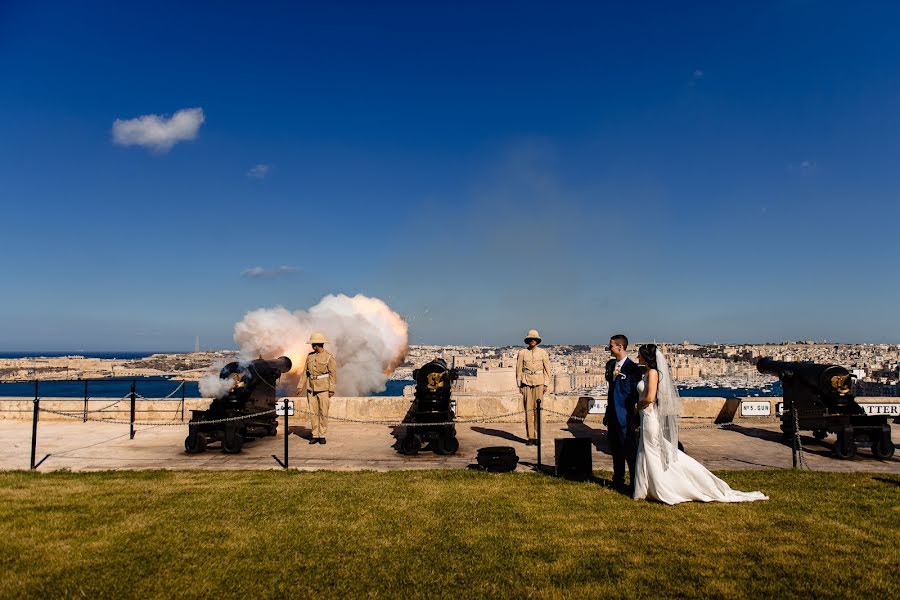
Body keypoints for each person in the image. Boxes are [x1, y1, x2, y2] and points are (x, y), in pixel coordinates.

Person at [632, 344, 768, 505]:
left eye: (639, 354)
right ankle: (647, 488)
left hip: (649, 417)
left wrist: (636, 407)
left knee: (652, 451)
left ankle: (662, 488)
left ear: (647, 356)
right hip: (647, 417)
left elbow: (650, 398)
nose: (637, 357)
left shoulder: (653, 373)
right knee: (647, 451)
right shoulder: (648, 372)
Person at [604, 334, 643, 492]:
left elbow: (635, 394)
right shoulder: (611, 364)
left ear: (620, 347)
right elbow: (611, 391)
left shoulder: (632, 368)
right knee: (615, 450)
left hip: (626, 416)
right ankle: (617, 479)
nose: (609, 348)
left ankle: (634, 483)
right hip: (613, 415)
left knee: (629, 452)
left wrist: (634, 417)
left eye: (611, 345)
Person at [299, 332, 336, 445]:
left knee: (323, 412)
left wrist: (331, 389)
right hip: (311, 388)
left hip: (324, 388)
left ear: (317, 344)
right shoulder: (310, 356)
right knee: (313, 413)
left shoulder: (329, 357)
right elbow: (305, 373)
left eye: (313, 344)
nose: (311, 346)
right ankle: (315, 435)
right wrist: (300, 386)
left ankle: (322, 435)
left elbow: (333, 374)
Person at [515, 329, 551, 446]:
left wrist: (546, 383)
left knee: (538, 411)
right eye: (531, 339)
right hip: (526, 383)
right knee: (528, 411)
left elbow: (547, 369)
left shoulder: (543, 353)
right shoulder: (522, 353)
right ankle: (530, 436)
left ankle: (538, 436)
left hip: (539, 383)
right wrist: (519, 384)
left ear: (537, 340)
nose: (533, 341)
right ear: (528, 340)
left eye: (535, 339)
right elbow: (518, 369)